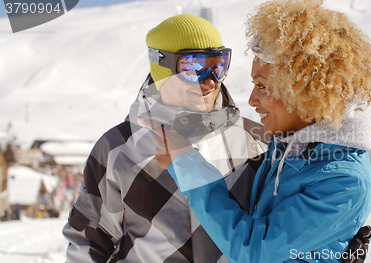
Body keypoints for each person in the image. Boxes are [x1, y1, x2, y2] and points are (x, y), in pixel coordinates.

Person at [146, 0, 371, 262]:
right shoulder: (290, 147)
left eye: (263, 86)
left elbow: (254, 250)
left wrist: (187, 164)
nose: (252, 100)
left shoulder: (342, 180)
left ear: (305, 92)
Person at [62, 14, 268, 263]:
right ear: (162, 69)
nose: (210, 80)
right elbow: (88, 242)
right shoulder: (117, 148)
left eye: (219, 65)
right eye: (194, 67)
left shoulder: (256, 142)